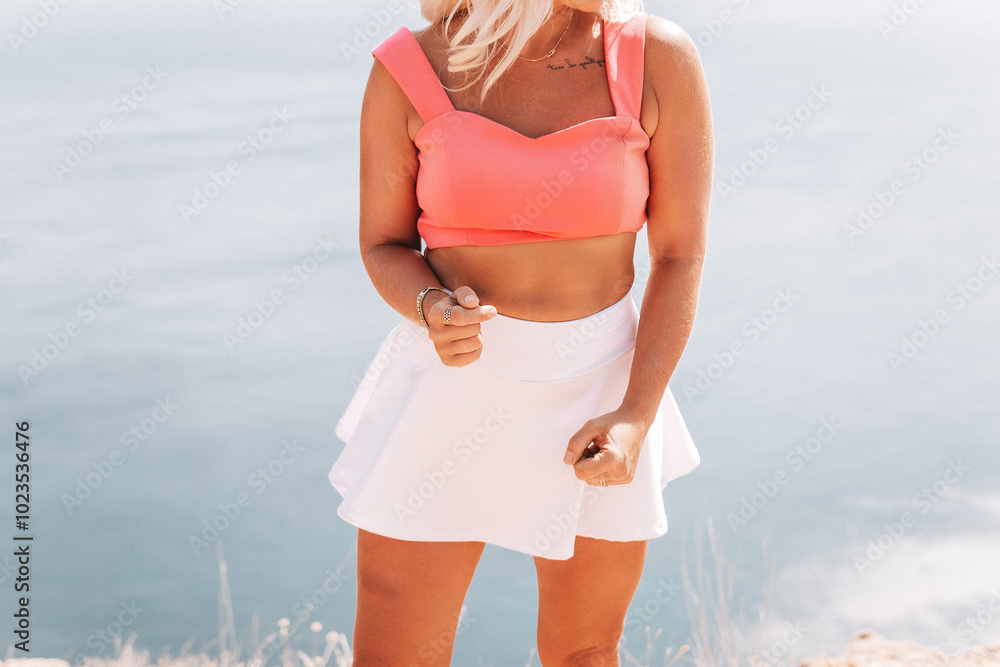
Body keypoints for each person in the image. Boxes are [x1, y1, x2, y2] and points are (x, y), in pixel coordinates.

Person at [329, 0, 713, 663]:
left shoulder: (658, 57)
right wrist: (429, 305)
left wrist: (636, 413)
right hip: (447, 391)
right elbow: (383, 243)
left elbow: (680, 256)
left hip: (602, 389)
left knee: (585, 653)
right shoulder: (409, 66)